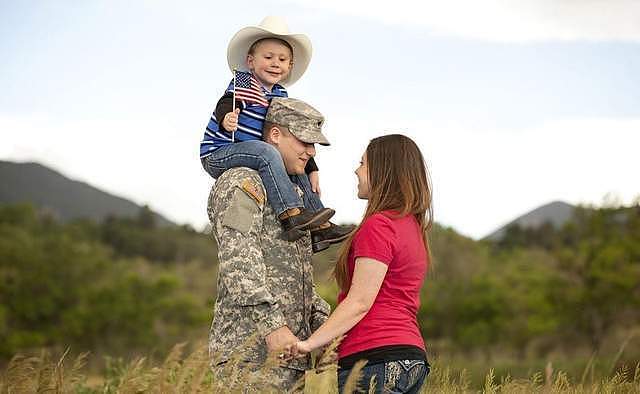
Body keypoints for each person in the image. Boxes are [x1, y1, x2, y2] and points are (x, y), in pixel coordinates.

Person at [207, 98, 335, 391]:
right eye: (304, 141)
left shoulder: (291, 194)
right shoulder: (243, 181)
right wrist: (273, 326)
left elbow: (295, 280)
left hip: (290, 358)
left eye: (314, 144)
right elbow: (239, 263)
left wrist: (324, 326)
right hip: (249, 358)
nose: (311, 151)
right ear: (275, 135)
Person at [289, 134, 433, 393]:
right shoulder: (413, 227)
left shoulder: (379, 225)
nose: (356, 170)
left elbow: (359, 302)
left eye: (363, 163)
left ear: (383, 170)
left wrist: (310, 344)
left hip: (375, 359)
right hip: (411, 359)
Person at [200, 16, 352, 250]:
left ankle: (320, 226)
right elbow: (226, 101)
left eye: (282, 59)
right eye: (268, 57)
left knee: (292, 166)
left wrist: (311, 167)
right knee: (266, 152)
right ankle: (290, 214)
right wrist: (226, 117)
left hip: (257, 152)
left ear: (290, 66)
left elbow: (292, 136)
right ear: (250, 61)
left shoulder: (280, 95)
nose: (274, 63)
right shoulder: (243, 82)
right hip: (220, 152)